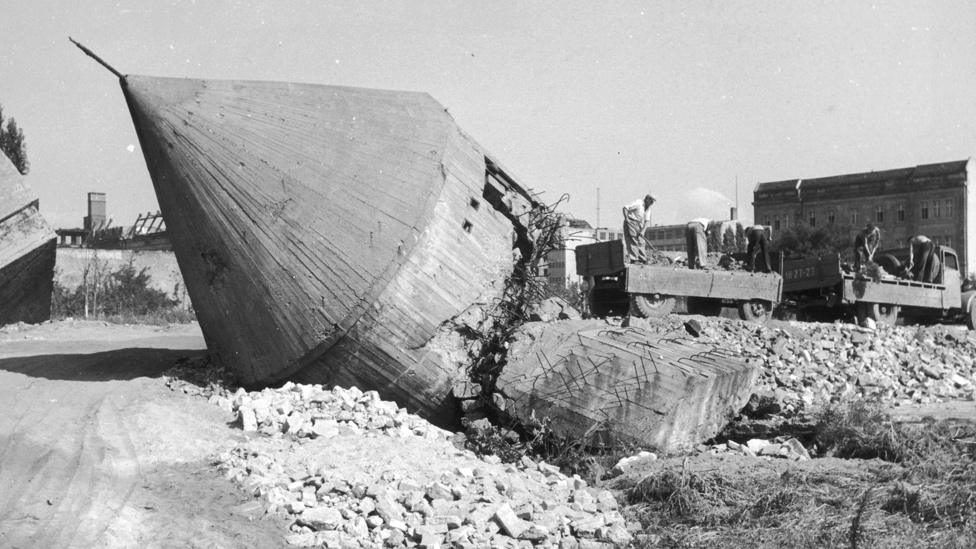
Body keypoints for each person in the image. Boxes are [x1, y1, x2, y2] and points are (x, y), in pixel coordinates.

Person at [622, 194, 655, 263]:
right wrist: (626, 218)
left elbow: (647, 222)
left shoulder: (648, 208)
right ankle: (634, 259)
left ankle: (642, 259)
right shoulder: (638, 203)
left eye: (653, 202)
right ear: (647, 199)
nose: (652, 203)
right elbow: (625, 208)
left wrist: (643, 231)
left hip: (639, 224)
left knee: (641, 241)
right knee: (633, 240)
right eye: (651, 201)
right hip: (631, 221)